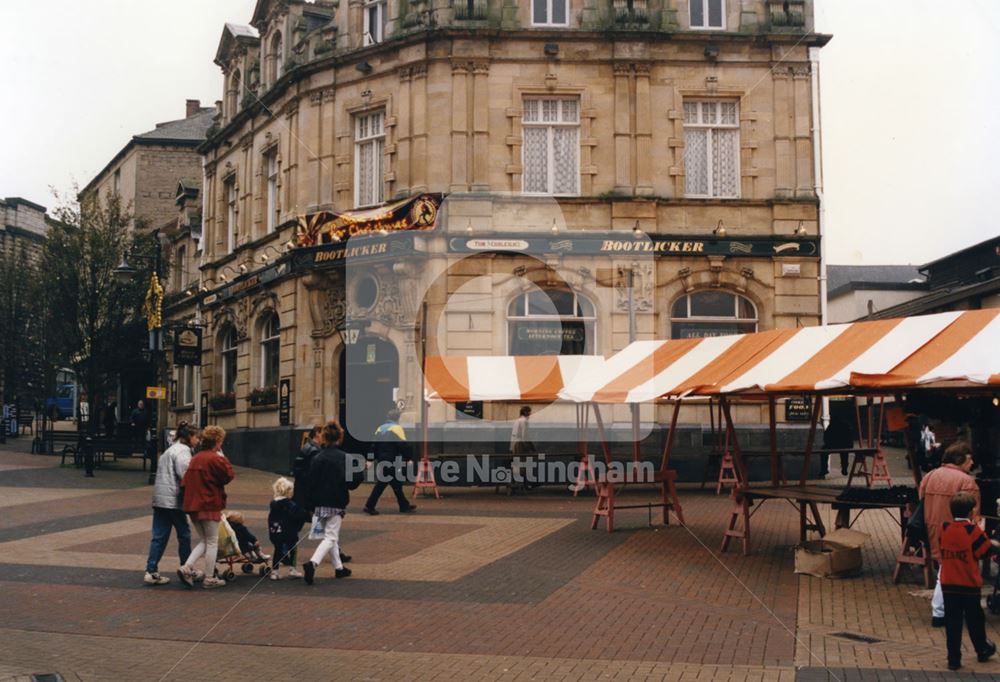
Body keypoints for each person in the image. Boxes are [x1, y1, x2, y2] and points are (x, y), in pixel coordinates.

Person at [919, 441, 980, 627]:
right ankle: (940, 611)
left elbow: (921, 498)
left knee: (943, 566)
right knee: (950, 570)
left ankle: (943, 609)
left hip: (933, 526)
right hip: (957, 531)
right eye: (969, 459)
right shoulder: (966, 481)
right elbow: (973, 511)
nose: (971, 463)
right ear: (960, 459)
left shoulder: (930, 476)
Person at [939, 491, 998, 670]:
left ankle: (953, 658)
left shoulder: (945, 528)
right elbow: (985, 551)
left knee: (953, 621)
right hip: (968, 583)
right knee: (975, 619)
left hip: (948, 582)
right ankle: (982, 648)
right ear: (971, 512)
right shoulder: (972, 531)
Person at [302, 421, 365, 584]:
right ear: (339, 438)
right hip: (336, 502)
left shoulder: (317, 458)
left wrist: (308, 505)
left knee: (331, 536)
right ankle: (312, 563)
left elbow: (309, 483)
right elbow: (355, 480)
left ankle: (339, 568)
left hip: (319, 503)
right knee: (330, 537)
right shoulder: (345, 458)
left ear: (324, 437)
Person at [177, 425, 235, 589]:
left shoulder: (195, 458)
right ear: (217, 441)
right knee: (212, 542)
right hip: (208, 504)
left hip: (192, 504)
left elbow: (185, 482)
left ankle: (187, 567)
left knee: (205, 540)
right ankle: (209, 578)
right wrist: (222, 456)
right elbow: (228, 475)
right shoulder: (215, 458)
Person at [143, 421, 197, 586]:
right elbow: (185, 475)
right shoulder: (183, 452)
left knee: (159, 536)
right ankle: (186, 568)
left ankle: (151, 570)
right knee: (184, 534)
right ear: (188, 437)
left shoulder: (169, 450)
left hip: (160, 499)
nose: (198, 441)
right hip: (173, 500)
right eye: (196, 437)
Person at [363, 409, 417, 515]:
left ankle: (404, 505)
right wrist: (408, 458)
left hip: (382, 460)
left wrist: (369, 459)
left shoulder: (380, 429)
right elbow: (403, 445)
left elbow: (373, 446)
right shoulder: (397, 428)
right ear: (398, 418)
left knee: (395, 484)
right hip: (392, 460)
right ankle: (369, 506)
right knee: (382, 484)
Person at [268, 477, 310, 580]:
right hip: (288, 531)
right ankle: (292, 569)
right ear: (288, 491)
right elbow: (297, 514)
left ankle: (275, 571)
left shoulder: (273, 503)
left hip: (275, 531)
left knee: (278, 550)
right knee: (293, 549)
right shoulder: (289, 503)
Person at [292, 425, 323, 508]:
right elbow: (313, 472)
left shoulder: (308, 446)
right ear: (317, 433)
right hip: (306, 489)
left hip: (301, 487)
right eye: (323, 434)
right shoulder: (315, 450)